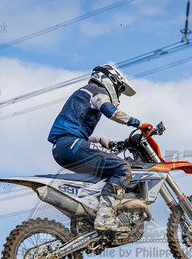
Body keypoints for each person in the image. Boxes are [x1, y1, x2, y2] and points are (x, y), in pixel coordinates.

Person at [48, 64, 152, 233]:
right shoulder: (97, 91)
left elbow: (75, 129)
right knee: (123, 168)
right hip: (70, 144)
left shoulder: (84, 93)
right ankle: (105, 216)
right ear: (111, 81)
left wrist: (102, 140)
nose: (118, 95)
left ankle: (89, 218)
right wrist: (139, 124)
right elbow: (111, 111)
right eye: (119, 90)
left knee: (104, 172)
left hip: (62, 147)